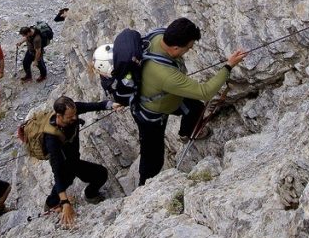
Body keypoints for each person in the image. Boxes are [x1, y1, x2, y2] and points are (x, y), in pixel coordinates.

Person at [132, 17, 246, 186]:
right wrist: (228, 66)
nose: (190, 50)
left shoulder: (159, 35)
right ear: (176, 48)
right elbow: (205, 92)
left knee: (195, 107)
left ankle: (186, 133)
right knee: (153, 160)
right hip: (151, 115)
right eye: (189, 47)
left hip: (165, 96)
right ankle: (144, 188)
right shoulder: (165, 75)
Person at [42, 96, 113, 227]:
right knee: (65, 180)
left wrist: (110, 105)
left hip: (74, 160)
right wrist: (65, 202)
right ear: (59, 116)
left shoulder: (72, 110)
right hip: (63, 164)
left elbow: (93, 106)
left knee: (101, 174)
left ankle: (90, 195)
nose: (74, 118)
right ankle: (51, 205)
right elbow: (57, 172)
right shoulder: (51, 139)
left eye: (75, 114)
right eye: (70, 117)